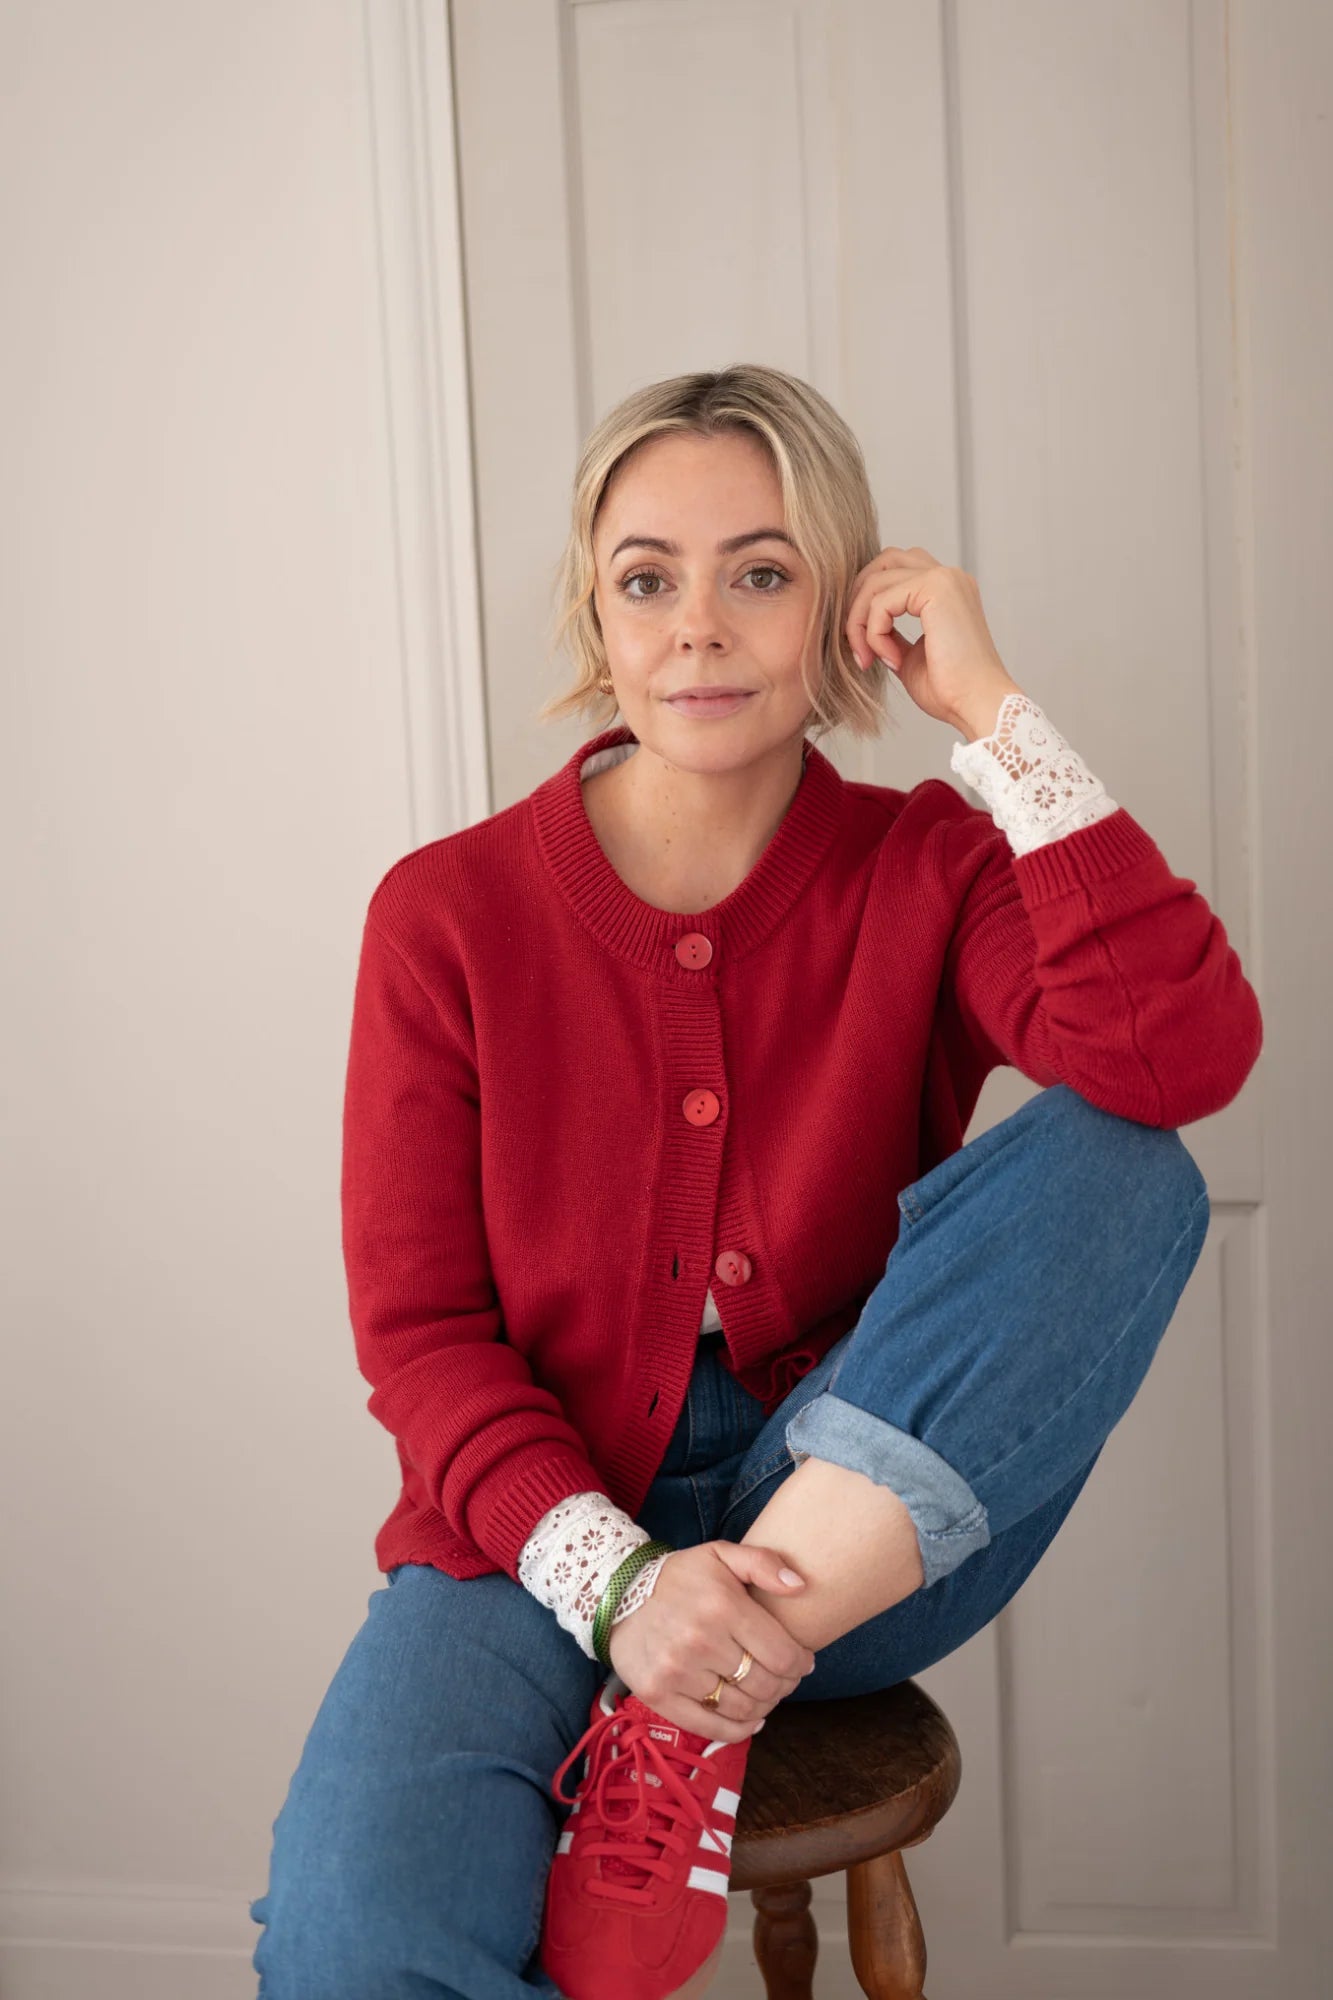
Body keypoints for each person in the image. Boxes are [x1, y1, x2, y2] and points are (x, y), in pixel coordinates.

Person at [248, 364, 1262, 2000]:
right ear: (597, 613)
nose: (699, 629)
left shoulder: (926, 866)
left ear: (845, 609)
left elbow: (1178, 1054)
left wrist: (988, 708)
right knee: (354, 1940)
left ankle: (695, 1701)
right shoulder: (445, 915)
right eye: (648, 578)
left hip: (848, 1521)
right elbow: (420, 1337)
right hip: (528, 1532)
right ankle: (687, 1663)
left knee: (1120, 1161)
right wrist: (623, 1588)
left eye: (762, 574)